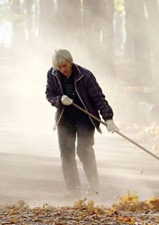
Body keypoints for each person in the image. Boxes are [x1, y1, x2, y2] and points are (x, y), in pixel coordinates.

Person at [45, 49, 118, 198]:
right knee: (66, 154)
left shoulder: (85, 76)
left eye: (65, 65)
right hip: (64, 118)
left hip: (86, 117)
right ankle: (73, 189)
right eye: (59, 67)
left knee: (84, 150)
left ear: (70, 61)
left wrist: (108, 118)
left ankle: (94, 186)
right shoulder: (52, 75)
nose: (63, 70)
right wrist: (59, 100)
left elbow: (98, 98)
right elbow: (49, 94)